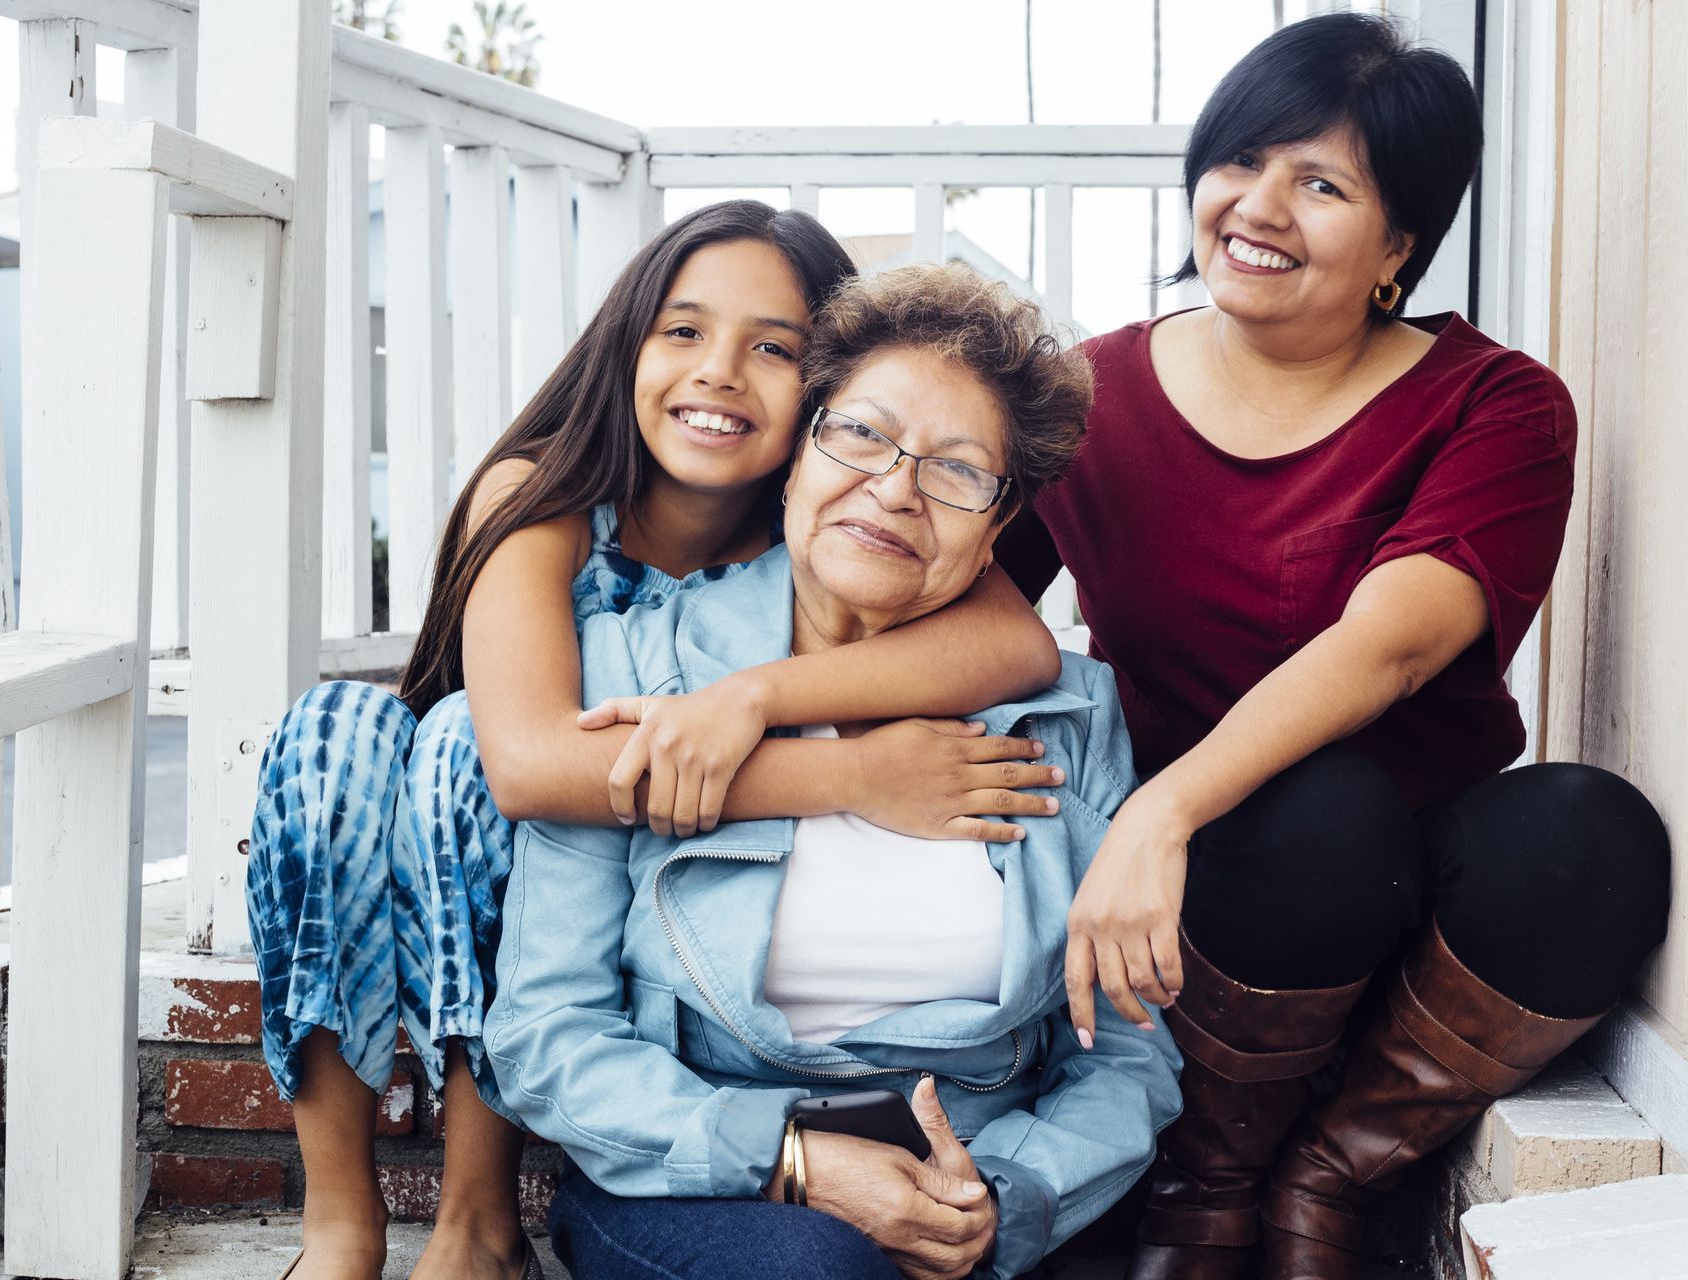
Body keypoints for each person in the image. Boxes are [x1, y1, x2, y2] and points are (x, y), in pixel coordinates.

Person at [246, 203, 1067, 1280]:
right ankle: (342, 1222)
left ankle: (479, 1218)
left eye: (772, 348)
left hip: (614, 884)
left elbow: (1018, 641)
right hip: (466, 834)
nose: (719, 372)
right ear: (629, 343)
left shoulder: (832, 503)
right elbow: (533, 765)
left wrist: (753, 695)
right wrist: (854, 774)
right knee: (378, 735)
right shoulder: (545, 493)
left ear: (823, 397)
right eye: (682, 332)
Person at [992, 16, 1673, 1279]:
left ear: (1398, 245)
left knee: (1589, 832)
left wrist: (1165, 807)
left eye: (1322, 184)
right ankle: (1204, 1186)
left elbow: (1392, 650)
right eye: (1241, 159)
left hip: (1419, 892)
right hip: (1215, 924)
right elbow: (964, 604)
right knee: (1316, 814)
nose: (1259, 207)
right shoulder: (1089, 398)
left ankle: (1331, 1179)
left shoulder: (1497, 402)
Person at [486, 264, 1183, 1280]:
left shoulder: (1067, 718)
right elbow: (547, 1030)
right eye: (860, 435)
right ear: (797, 455)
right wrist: (794, 1155)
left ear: (1000, 524)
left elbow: (1127, 1055)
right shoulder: (640, 672)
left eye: (955, 470)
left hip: (981, 1170)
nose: (895, 489)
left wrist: (1008, 1190)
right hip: (719, 1177)